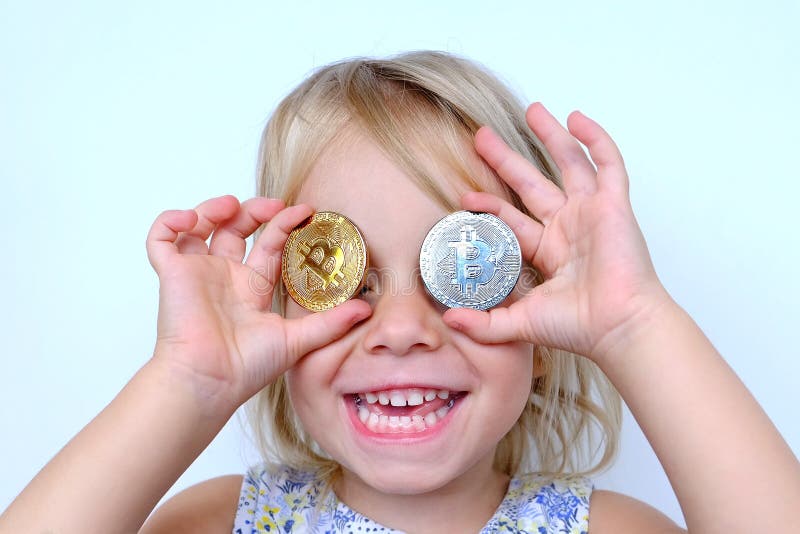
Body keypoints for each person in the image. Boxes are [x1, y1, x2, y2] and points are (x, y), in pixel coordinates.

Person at [2, 51, 798, 534]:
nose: (403, 329)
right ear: (276, 329)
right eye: (351, 281)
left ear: (548, 331)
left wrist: (634, 323)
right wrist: (186, 382)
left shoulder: (605, 530)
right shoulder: (227, 521)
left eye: (463, 273)